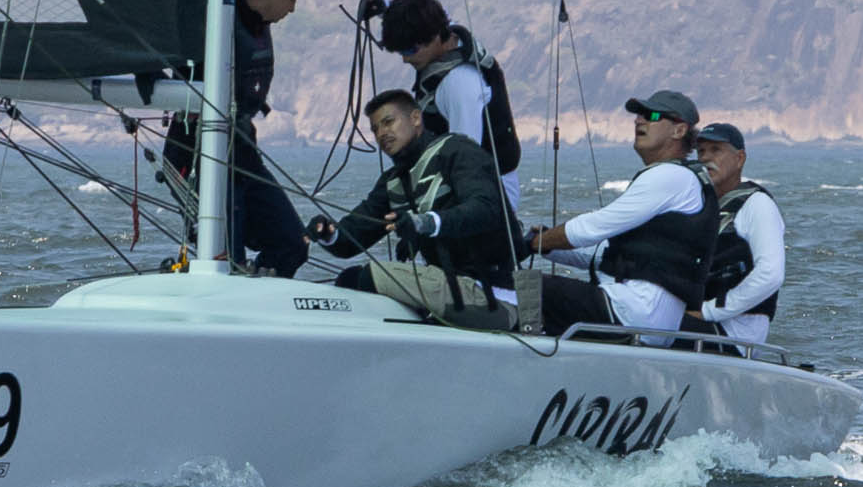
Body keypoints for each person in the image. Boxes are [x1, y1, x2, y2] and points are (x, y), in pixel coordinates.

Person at [524, 89, 719, 344]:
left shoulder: (671, 177)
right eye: (638, 115)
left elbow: (591, 228)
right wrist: (547, 248)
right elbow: (602, 252)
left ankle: (510, 356)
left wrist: (533, 243)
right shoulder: (679, 180)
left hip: (633, 314)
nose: (639, 120)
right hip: (648, 320)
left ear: (679, 130)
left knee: (523, 288)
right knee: (537, 295)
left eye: (652, 115)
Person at [165, 0, 314, 276]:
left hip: (243, 154)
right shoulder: (214, 13)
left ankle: (257, 295)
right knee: (226, 257)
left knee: (293, 244)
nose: (293, 9)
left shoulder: (258, 16)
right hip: (195, 155)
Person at [306, 89, 524, 312]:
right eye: (375, 129)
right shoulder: (393, 181)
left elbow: (486, 209)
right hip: (450, 287)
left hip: (495, 292)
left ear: (416, 118)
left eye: (388, 122)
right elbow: (354, 236)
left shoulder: (457, 150)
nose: (382, 133)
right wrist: (328, 234)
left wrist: (425, 222)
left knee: (361, 278)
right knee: (350, 279)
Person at [375, 0, 521, 210]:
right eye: (400, 52)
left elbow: (465, 159)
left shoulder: (459, 85)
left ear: (434, 38)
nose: (405, 59)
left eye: (410, 50)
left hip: (488, 197)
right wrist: (384, 9)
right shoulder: (442, 33)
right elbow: (420, 15)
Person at [682, 121, 783, 350]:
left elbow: (770, 274)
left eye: (716, 150)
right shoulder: (698, 206)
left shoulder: (757, 205)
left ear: (739, 158)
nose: (706, 158)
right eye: (701, 151)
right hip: (697, 322)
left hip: (735, 335)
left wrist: (708, 311)